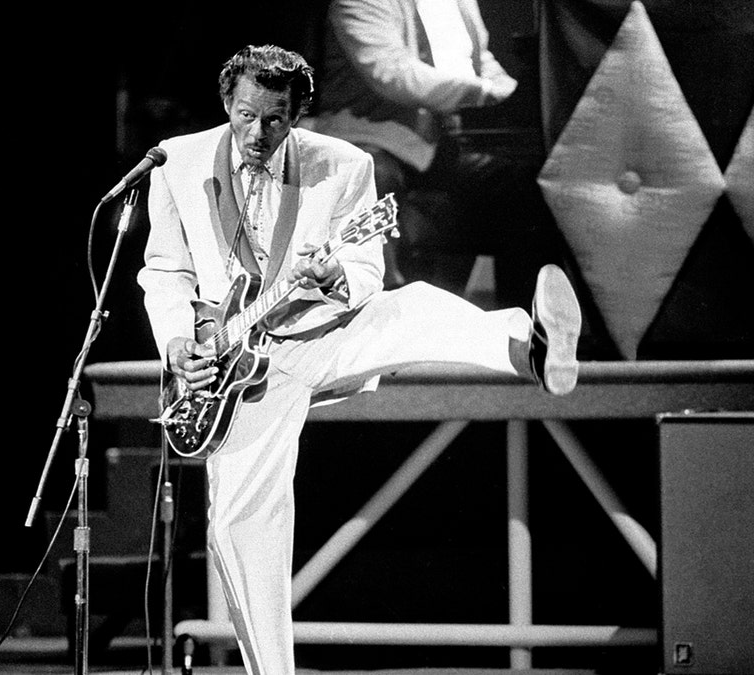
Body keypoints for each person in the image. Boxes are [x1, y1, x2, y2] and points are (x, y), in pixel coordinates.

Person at [137, 44, 580, 674]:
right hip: (231, 375)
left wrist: (333, 276)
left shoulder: (343, 165)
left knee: (412, 307)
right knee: (240, 528)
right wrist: (180, 341)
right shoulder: (174, 163)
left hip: (316, 337)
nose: (258, 132)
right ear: (227, 104)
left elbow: (368, 275)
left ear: (299, 114)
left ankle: (524, 345)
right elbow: (165, 272)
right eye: (245, 115)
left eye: (275, 119)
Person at [313, 0, 564, 307]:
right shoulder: (361, 2)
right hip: (372, 142)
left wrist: (516, 93)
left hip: (438, 147)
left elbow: (481, 63)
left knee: (525, 185)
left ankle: (520, 330)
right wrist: (484, 91)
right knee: (374, 175)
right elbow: (392, 72)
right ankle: (383, 316)